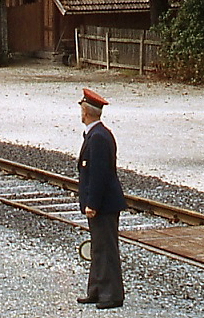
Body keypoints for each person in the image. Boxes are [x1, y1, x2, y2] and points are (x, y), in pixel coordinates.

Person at [76, 87, 127, 310]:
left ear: (86, 112)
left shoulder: (98, 137)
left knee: (106, 249)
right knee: (98, 247)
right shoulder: (97, 134)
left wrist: (92, 203)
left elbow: (99, 174)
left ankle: (112, 295)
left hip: (104, 204)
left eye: (81, 109)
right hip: (103, 202)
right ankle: (96, 290)